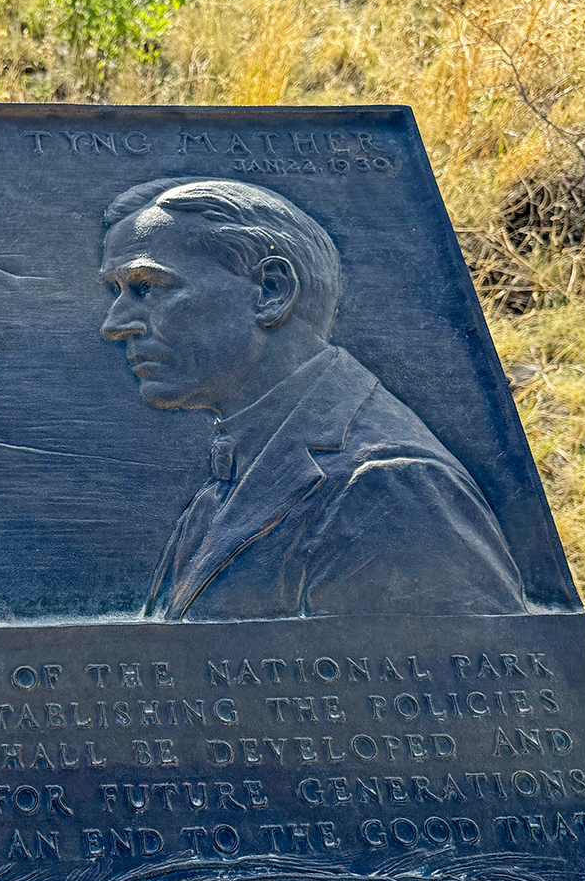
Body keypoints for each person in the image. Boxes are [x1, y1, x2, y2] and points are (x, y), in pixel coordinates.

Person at [98, 177, 527, 620]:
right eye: (117, 291)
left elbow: (464, 677)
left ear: (272, 291)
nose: (114, 325)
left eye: (147, 287)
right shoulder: (229, 482)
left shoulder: (389, 488)